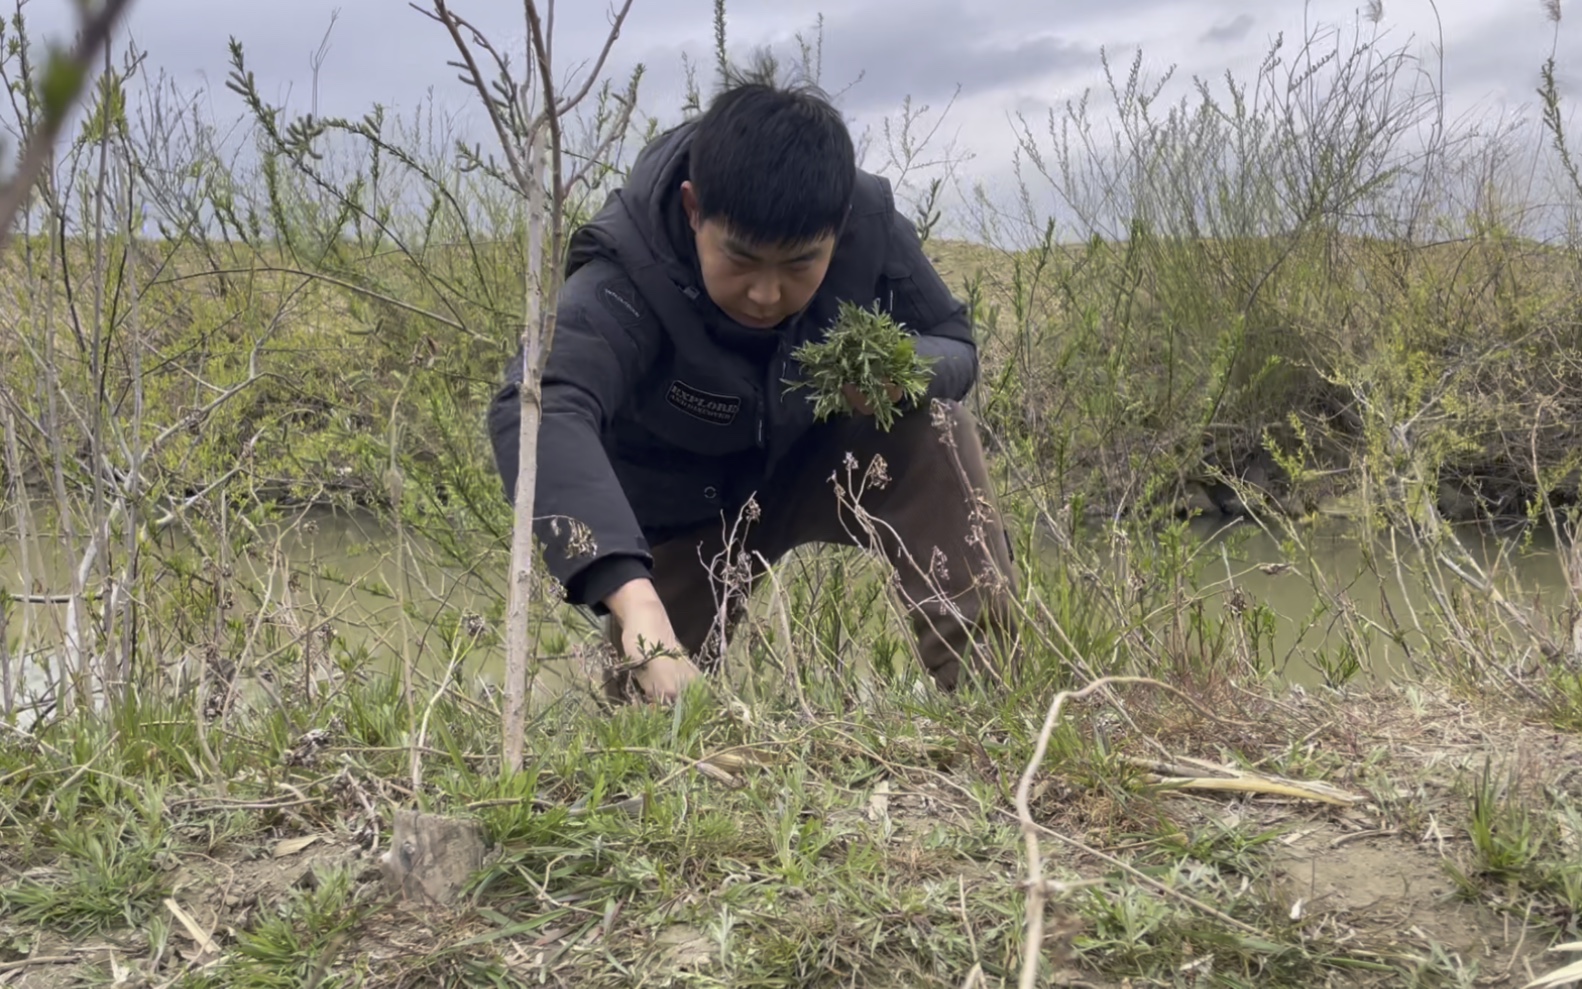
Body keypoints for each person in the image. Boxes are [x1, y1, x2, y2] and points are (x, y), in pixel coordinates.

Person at [487, 74, 1020, 704]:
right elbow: (539, 403)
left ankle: (995, 705)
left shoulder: (869, 223)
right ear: (693, 211)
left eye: (800, 265)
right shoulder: (626, 268)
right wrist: (633, 601)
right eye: (739, 261)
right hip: (686, 508)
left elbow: (954, 342)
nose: (766, 295)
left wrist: (899, 373)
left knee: (937, 427)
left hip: (816, 457)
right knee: (649, 721)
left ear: (839, 225)